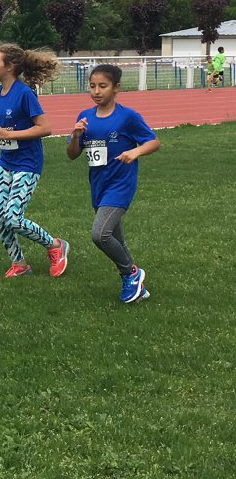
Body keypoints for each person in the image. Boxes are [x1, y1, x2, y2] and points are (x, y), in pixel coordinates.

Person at [0, 43, 69, 278]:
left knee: (13, 217)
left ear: (9, 67)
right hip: (5, 163)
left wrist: (11, 135)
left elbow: (45, 128)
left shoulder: (24, 93)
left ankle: (55, 246)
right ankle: (19, 264)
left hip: (27, 164)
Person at [67, 64, 160, 303]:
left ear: (116, 88)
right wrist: (76, 136)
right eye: (92, 86)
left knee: (100, 234)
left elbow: (153, 142)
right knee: (116, 240)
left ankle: (132, 273)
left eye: (103, 86)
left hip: (120, 186)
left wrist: (135, 152)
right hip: (98, 185)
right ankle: (137, 287)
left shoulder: (127, 117)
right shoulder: (84, 117)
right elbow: (72, 154)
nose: (96, 91)